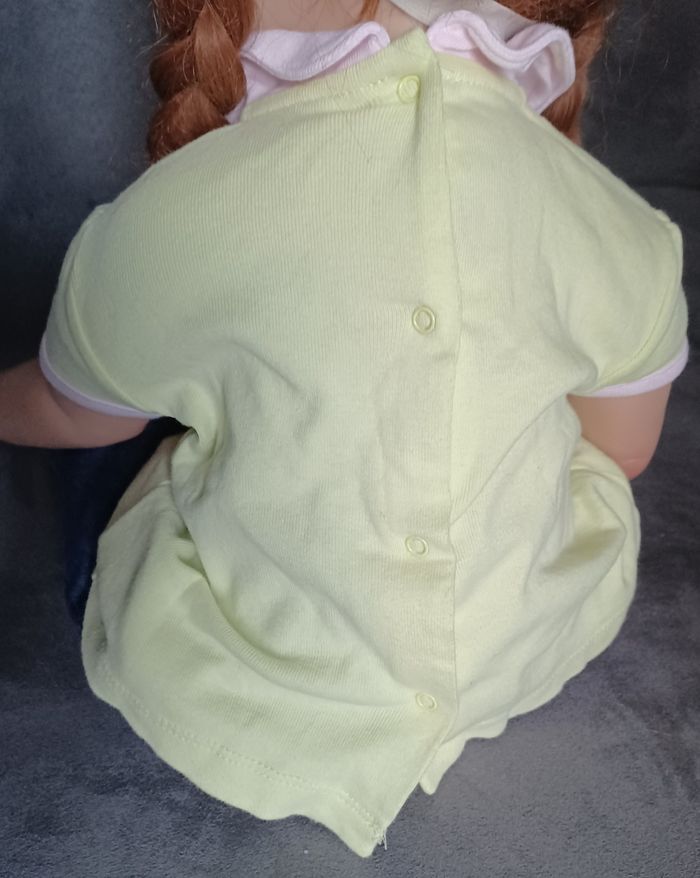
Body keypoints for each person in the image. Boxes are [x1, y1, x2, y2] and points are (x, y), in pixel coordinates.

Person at [0, 0, 689, 858]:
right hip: (522, 646)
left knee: (117, 441)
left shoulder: (165, 216)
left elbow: (67, 412)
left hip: (250, 679)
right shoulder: (615, 220)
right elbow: (623, 451)